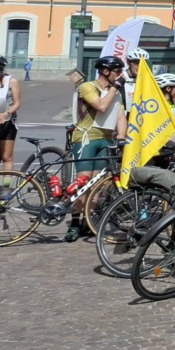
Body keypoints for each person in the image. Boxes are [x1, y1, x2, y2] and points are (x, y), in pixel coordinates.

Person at [64, 56, 127, 241]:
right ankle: (75, 221)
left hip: (106, 139)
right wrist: (115, 88)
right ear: (106, 71)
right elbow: (100, 106)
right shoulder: (87, 87)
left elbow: (120, 117)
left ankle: (87, 221)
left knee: (98, 185)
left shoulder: (116, 92)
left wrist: (122, 139)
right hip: (86, 137)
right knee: (83, 180)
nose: (119, 75)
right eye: (117, 72)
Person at [0, 56, 22, 175]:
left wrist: (6, 114)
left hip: (8, 122)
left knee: (6, 156)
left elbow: (17, 103)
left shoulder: (11, 81)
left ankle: (6, 188)